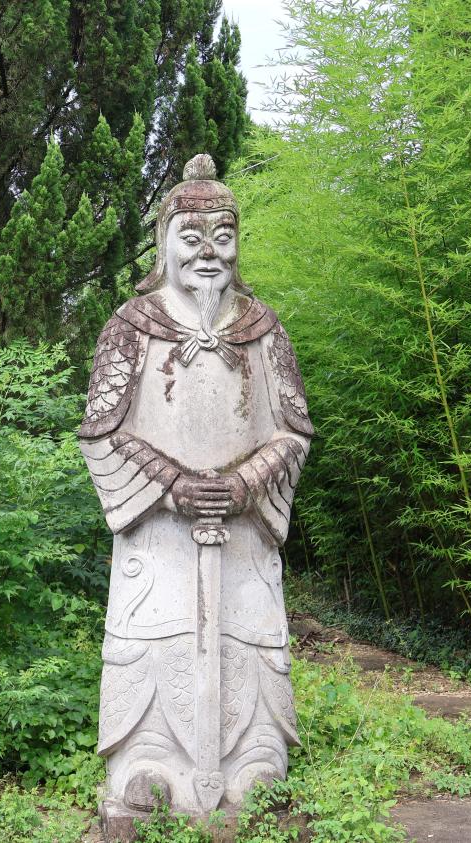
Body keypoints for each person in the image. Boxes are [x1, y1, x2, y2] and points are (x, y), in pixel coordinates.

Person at [79, 154, 312, 824]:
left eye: (223, 236)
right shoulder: (131, 326)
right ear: (165, 244)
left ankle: (254, 758)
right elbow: (100, 433)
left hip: (243, 535)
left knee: (249, 637)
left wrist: (245, 482)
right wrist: (172, 485)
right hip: (157, 538)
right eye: (191, 237)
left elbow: (294, 431)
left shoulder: (264, 329)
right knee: (151, 638)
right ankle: (145, 760)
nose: (208, 252)